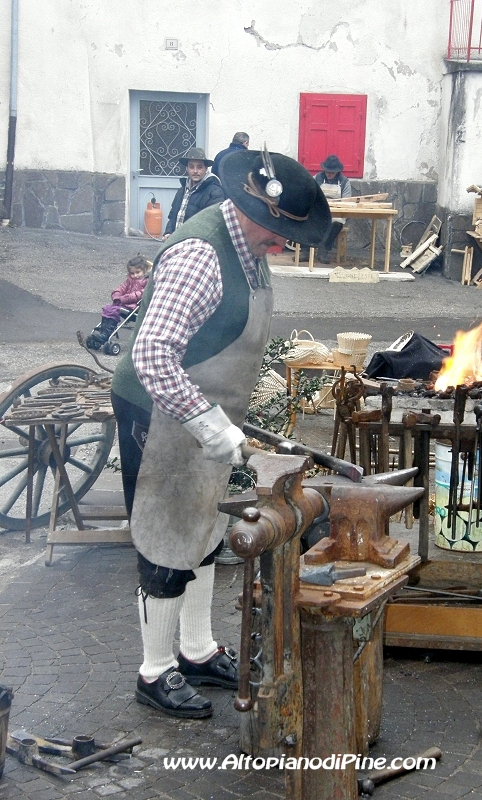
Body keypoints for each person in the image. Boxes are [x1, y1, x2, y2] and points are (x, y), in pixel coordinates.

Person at [110, 148, 330, 719]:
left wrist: (223, 424)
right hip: (159, 410)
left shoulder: (248, 249)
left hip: (207, 411)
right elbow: (155, 355)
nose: (281, 246)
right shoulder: (199, 256)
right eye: (277, 233)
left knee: (204, 528)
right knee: (167, 536)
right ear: (249, 205)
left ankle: (196, 650)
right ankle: (155, 671)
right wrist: (210, 426)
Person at [85, 255, 151, 350]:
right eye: (132, 273)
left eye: (138, 272)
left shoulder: (147, 282)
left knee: (115, 309)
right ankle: (104, 332)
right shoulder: (129, 280)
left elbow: (139, 294)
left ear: (144, 271)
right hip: (124, 304)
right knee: (108, 308)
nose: (135, 275)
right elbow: (121, 288)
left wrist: (124, 298)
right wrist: (116, 295)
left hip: (135, 307)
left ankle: (106, 334)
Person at [162, 148, 224, 240]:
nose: (195, 171)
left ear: (206, 169)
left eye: (199, 167)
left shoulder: (214, 192)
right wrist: (168, 232)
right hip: (177, 243)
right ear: (187, 168)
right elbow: (172, 216)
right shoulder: (182, 191)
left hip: (197, 247)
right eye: (191, 167)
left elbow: (213, 225)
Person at [300, 154, 351, 264]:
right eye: (327, 171)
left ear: (337, 171)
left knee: (337, 224)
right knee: (306, 220)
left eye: (332, 172)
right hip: (319, 211)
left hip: (336, 214)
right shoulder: (317, 178)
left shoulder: (344, 182)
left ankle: (323, 250)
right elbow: (310, 195)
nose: (329, 174)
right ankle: (305, 251)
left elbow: (347, 202)